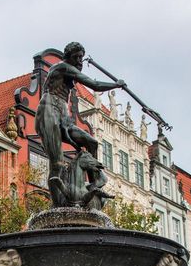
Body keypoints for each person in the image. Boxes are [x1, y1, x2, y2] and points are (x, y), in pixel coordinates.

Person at [35, 42, 124, 204]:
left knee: (91, 142)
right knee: (57, 163)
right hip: (48, 112)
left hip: (63, 114)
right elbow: (95, 85)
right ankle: (58, 206)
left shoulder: (69, 71)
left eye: (81, 58)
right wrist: (116, 85)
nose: (79, 61)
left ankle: (94, 184)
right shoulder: (63, 67)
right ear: (67, 58)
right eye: (76, 57)